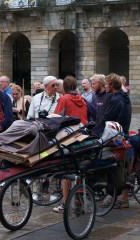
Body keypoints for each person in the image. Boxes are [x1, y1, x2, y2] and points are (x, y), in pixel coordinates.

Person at [53, 76, 88, 213]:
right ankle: (78, 199)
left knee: (66, 172)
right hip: (82, 136)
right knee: (78, 170)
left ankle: (65, 203)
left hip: (68, 138)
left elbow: (56, 119)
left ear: (65, 87)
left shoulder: (64, 99)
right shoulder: (82, 100)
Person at [104, 73, 132, 208]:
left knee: (115, 168)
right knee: (124, 168)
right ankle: (124, 198)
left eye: (106, 84)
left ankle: (114, 197)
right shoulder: (125, 97)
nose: (105, 86)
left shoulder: (115, 99)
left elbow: (107, 118)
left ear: (112, 85)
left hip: (115, 137)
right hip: (124, 135)